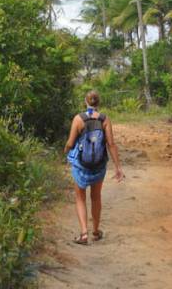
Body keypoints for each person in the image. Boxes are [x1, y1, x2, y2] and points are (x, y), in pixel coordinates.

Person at [64, 89, 124, 245]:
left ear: (85, 101)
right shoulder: (105, 119)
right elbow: (111, 144)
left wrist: (64, 153)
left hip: (80, 166)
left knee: (80, 198)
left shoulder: (78, 119)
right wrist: (118, 167)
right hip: (99, 166)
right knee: (96, 197)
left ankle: (84, 234)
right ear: (98, 103)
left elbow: (70, 143)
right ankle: (96, 231)